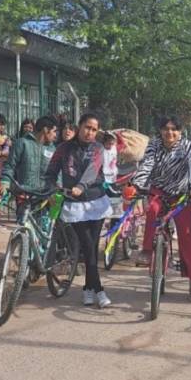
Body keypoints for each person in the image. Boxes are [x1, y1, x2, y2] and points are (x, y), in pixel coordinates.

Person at [45, 113, 112, 308]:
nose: (89, 132)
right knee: (87, 245)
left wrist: (81, 186)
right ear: (79, 126)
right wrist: (52, 188)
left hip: (96, 201)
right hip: (74, 205)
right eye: (87, 127)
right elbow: (51, 172)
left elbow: (93, 170)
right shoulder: (63, 148)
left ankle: (88, 289)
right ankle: (98, 289)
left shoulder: (98, 148)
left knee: (90, 247)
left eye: (94, 129)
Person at [133, 115, 191, 301]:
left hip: (181, 197)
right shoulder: (154, 145)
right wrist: (137, 185)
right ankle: (147, 250)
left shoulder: (188, 146)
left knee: (186, 236)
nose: (169, 133)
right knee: (153, 210)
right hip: (158, 192)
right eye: (166, 128)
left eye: (174, 129)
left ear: (180, 132)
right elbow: (146, 166)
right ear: (160, 130)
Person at [0, 116, 59, 222]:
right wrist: (5, 182)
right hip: (25, 195)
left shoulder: (53, 149)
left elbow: (57, 173)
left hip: (45, 197)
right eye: (54, 131)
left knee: (43, 230)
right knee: (24, 227)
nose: (55, 135)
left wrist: (56, 189)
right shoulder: (22, 143)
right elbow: (9, 165)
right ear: (46, 130)